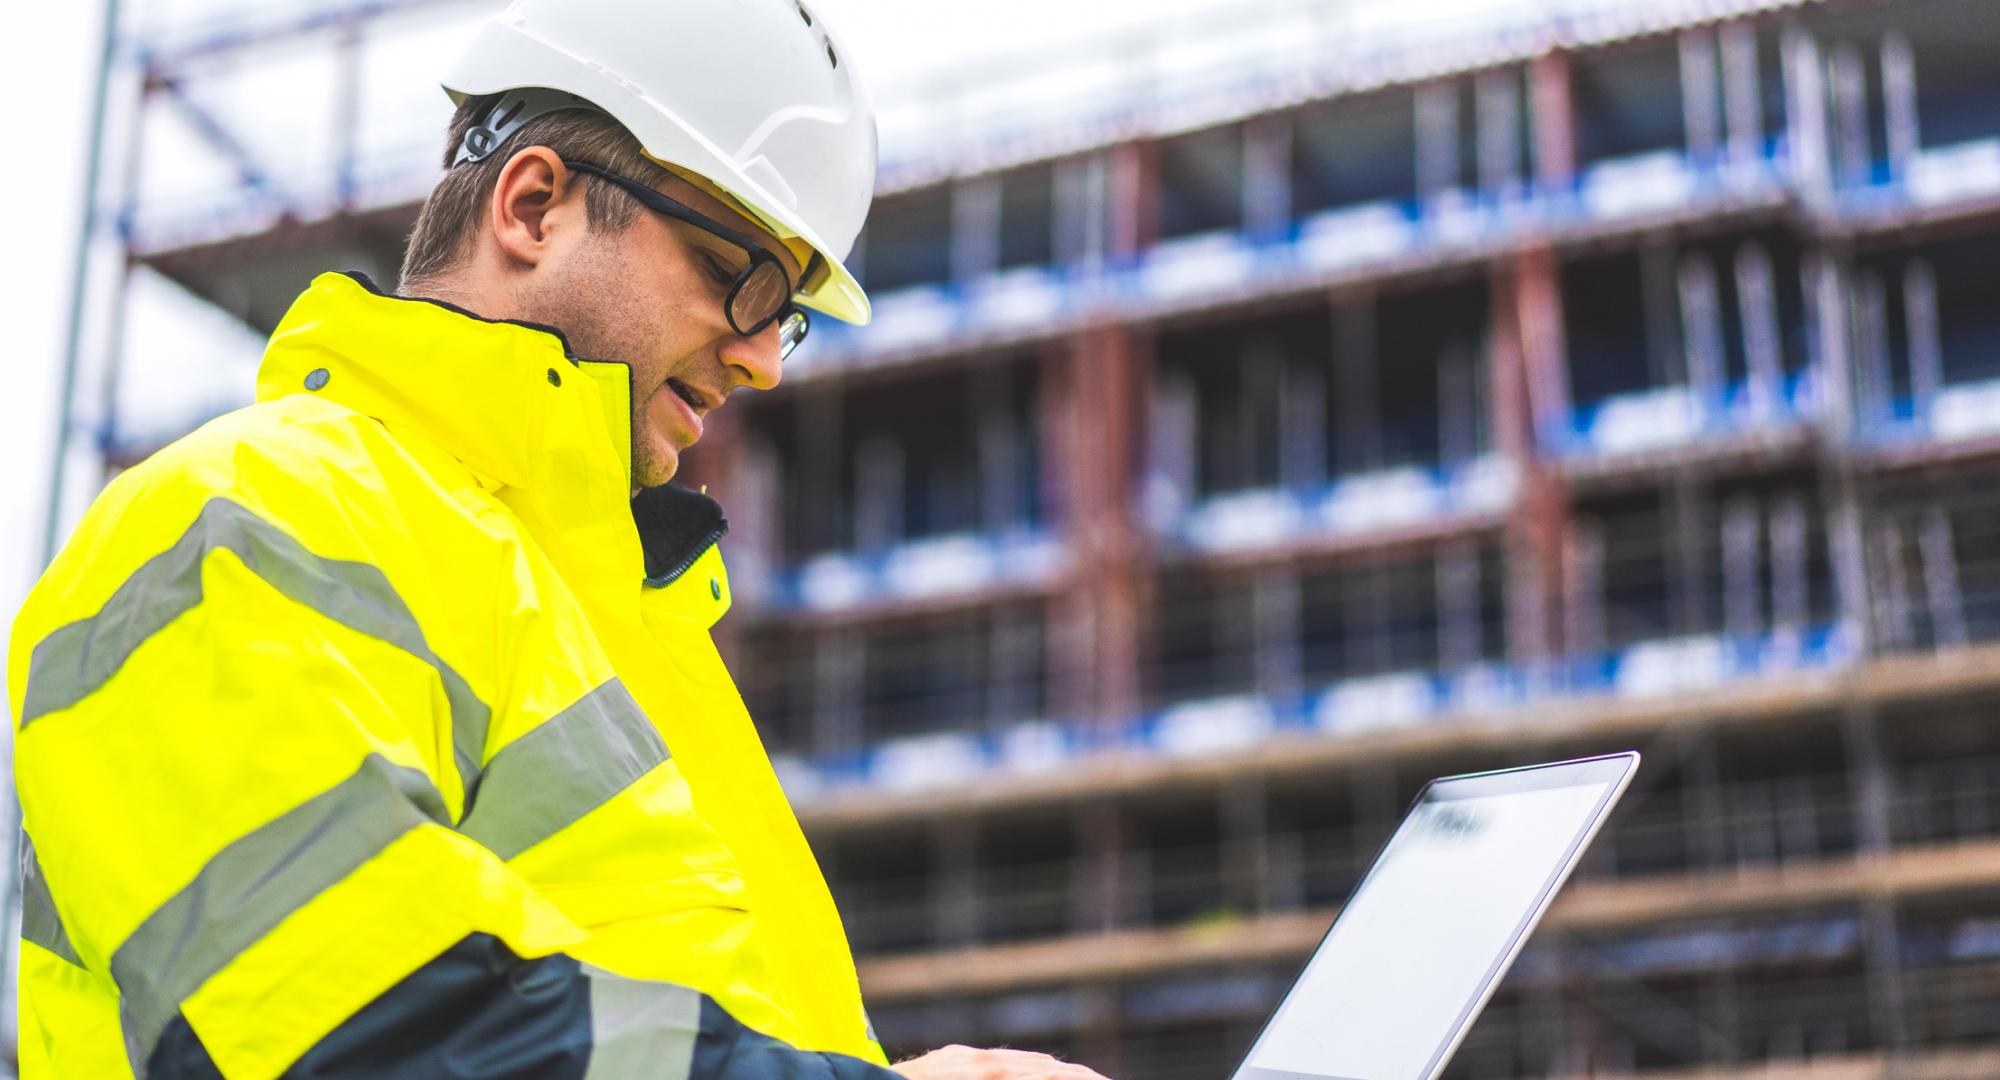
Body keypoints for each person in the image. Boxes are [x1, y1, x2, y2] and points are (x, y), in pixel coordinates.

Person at [9, 1, 1112, 1078]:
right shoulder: (240, 518)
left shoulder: (633, 634)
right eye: (743, 280)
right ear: (534, 208)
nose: (764, 359)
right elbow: (359, 1027)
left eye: (788, 316)